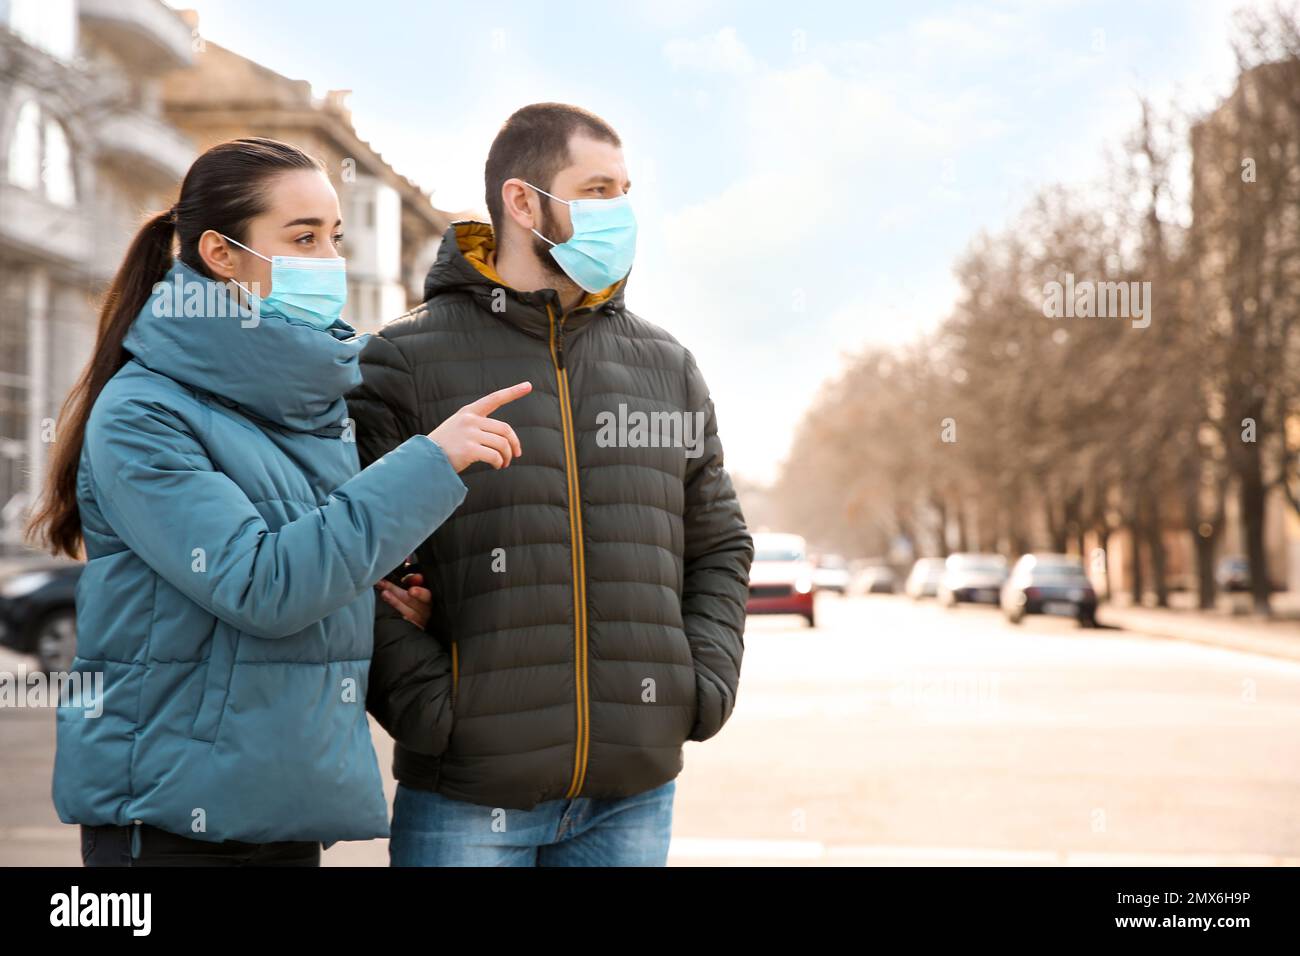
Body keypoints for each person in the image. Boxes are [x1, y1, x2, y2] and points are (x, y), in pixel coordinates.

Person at [27, 137, 531, 866]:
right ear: (221, 254)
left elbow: (315, 558)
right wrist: (428, 463)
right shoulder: (144, 412)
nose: (327, 258)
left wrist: (375, 589)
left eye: (333, 236)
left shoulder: (299, 400)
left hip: (282, 807)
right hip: (174, 825)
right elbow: (264, 586)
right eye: (301, 237)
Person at [348, 103, 754, 867]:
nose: (622, 212)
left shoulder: (667, 367)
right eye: (598, 190)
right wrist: (433, 710)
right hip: (465, 796)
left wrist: (699, 686)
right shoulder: (402, 359)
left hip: (634, 791)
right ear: (523, 201)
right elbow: (351, 559)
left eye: (626, 190)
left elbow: (720, 542)